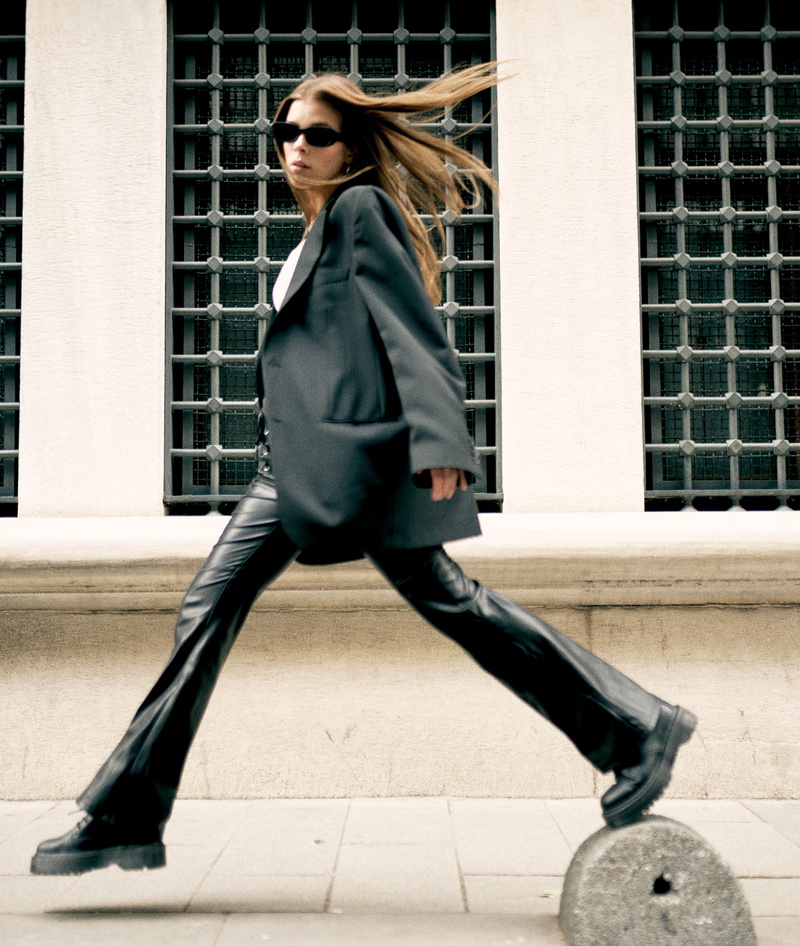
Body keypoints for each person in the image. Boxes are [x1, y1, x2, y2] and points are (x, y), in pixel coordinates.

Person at [31, 64, 696, 876]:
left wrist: (442, 441)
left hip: (352, 463)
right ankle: (126, 812)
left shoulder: (359, 209)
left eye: (317, 135)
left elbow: (413, 328)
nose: (297, 147)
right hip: (299, 466)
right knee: (230, 608)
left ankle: (636, 728)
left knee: (443, 605)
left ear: (349, 148)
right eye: (286, 133)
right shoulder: (317, 229)